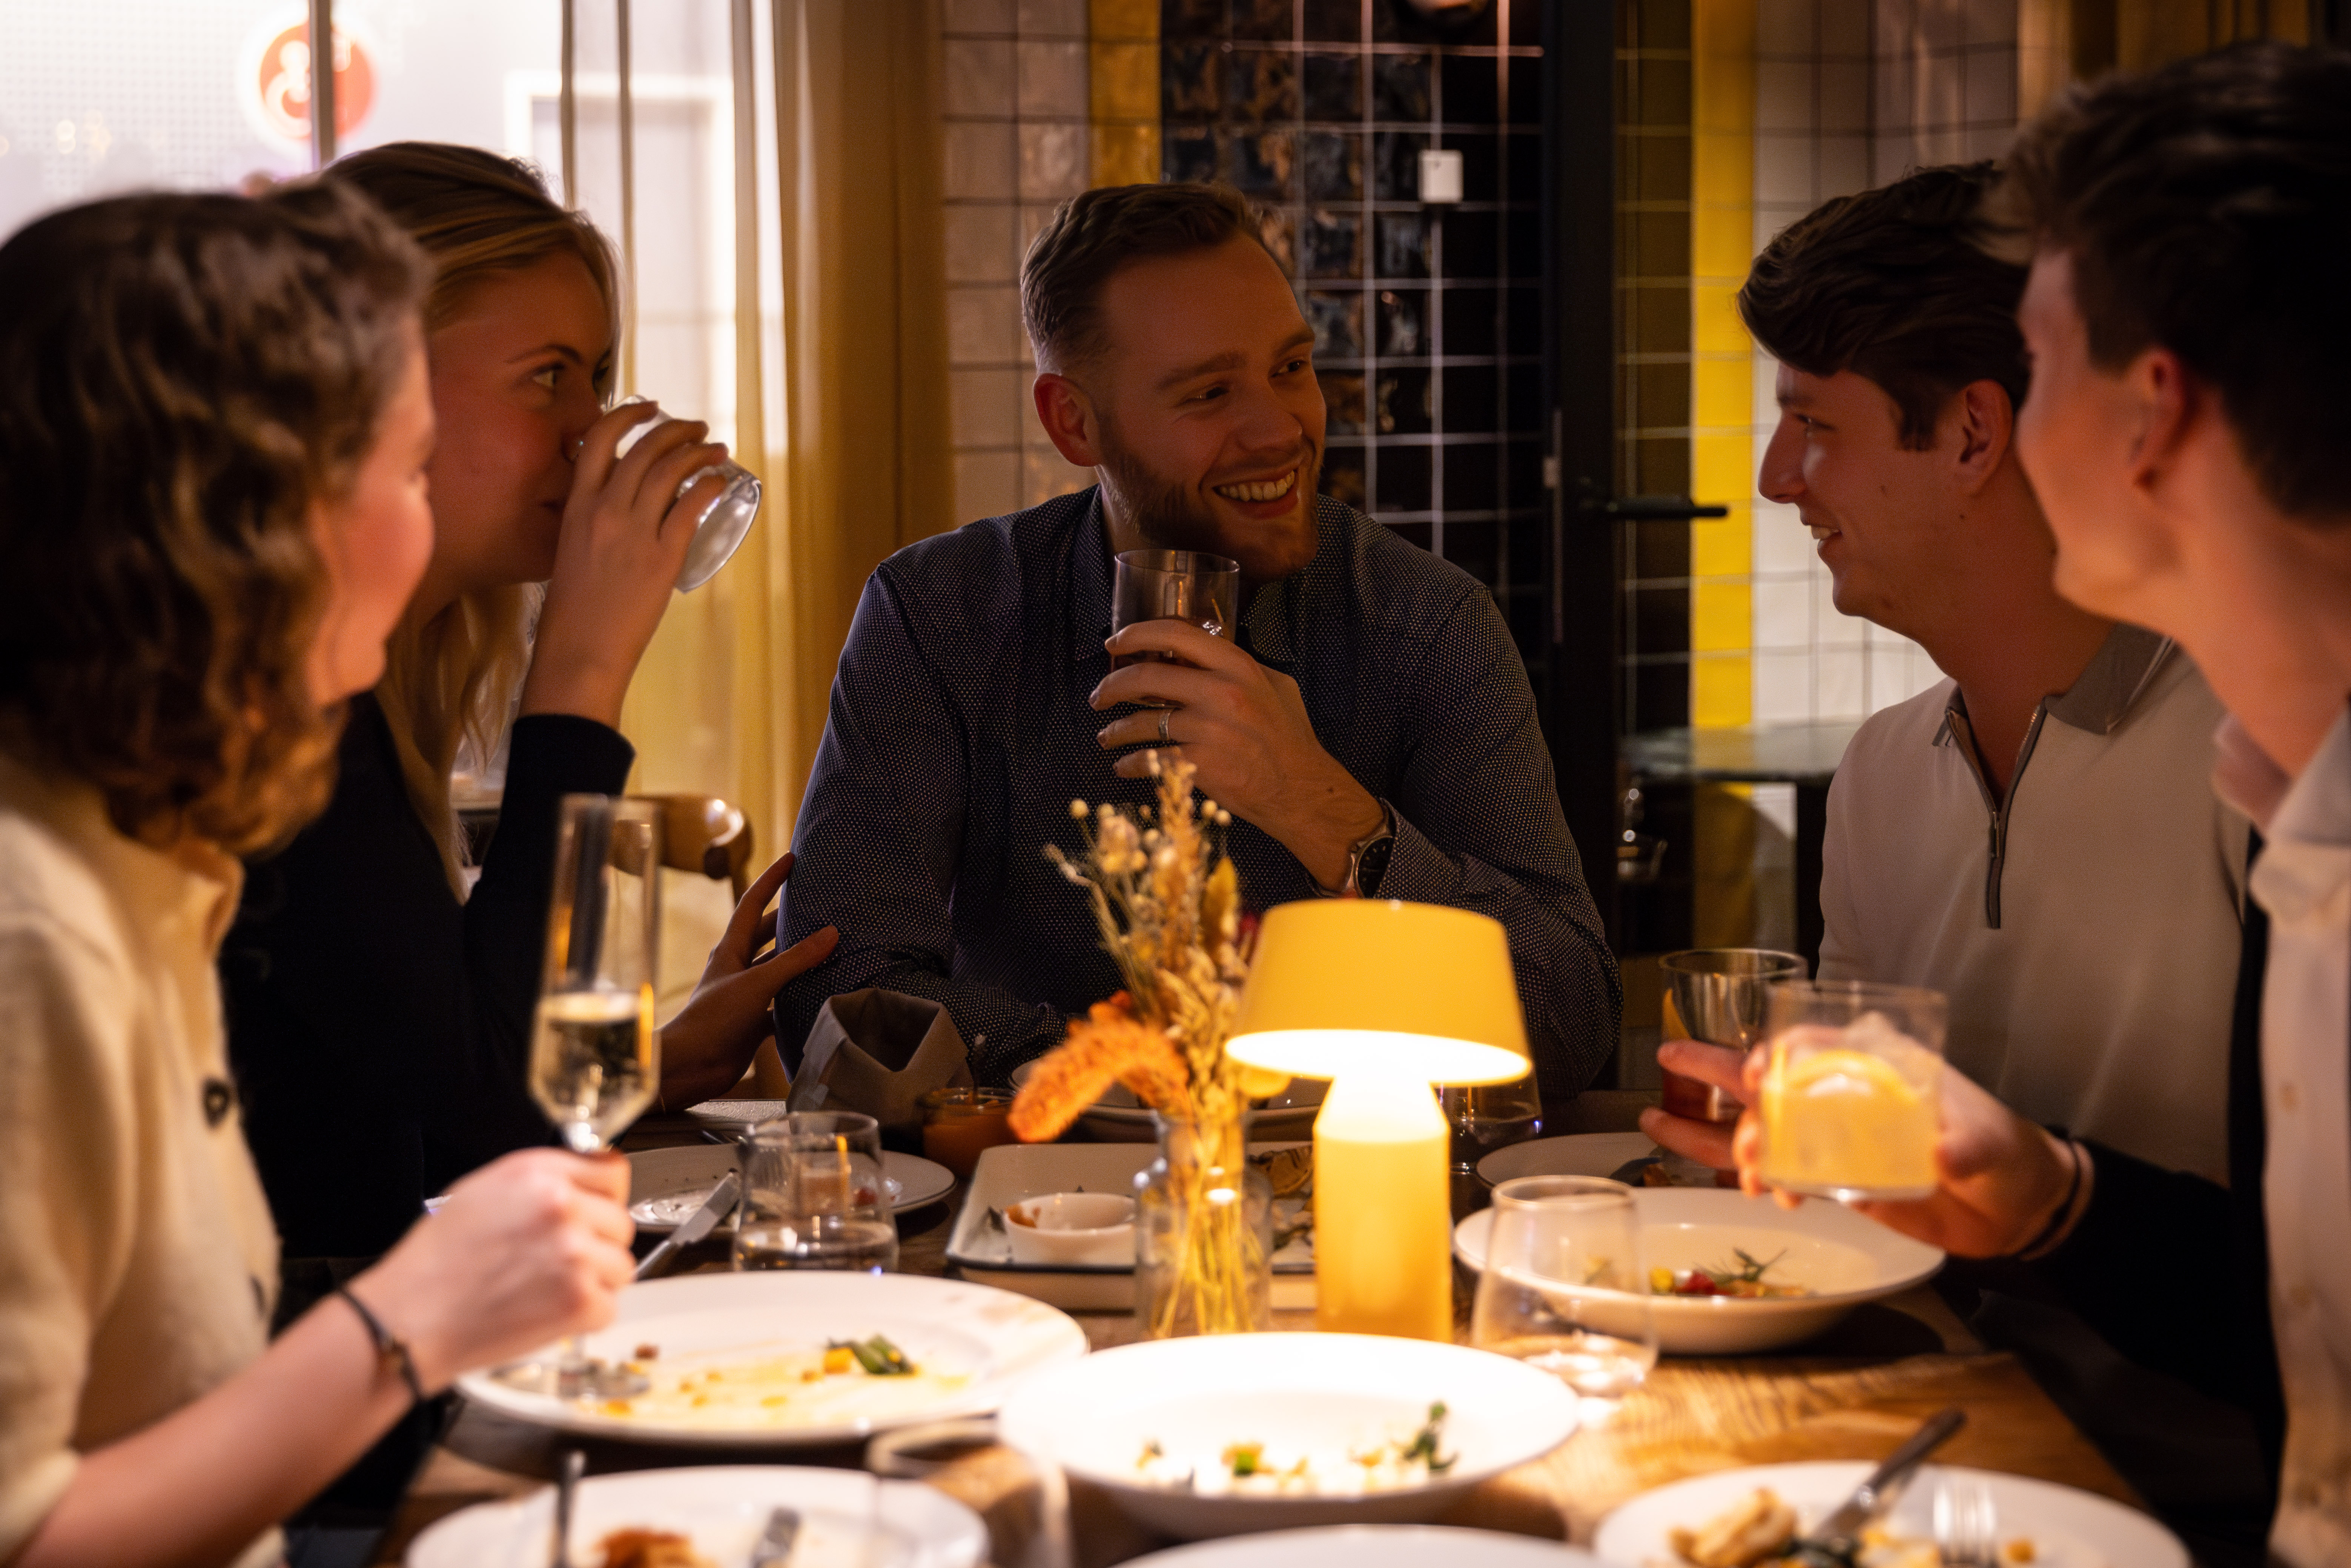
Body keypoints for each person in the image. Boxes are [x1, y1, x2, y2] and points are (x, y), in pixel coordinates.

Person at [1723, 42, 2351, 1568]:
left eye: (2045, 356)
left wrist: (2060, 1204)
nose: (1772, 478)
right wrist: (2042, 1194)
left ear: (2150, 411)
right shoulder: (2293, 786)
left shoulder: (2281, 805)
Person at [0, 183, 631, 1568]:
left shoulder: (157, 864)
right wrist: (416, 1317)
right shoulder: (36, 933)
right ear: (248, 520)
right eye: (406, 474)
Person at [777, 181, 1619, 1096]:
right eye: (1211, 392)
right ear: (1074, 421)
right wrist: (1139, 1068)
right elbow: (838, 998)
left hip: (1348, 1190)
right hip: (1040, 1211)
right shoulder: (941, 618)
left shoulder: (1425, 623)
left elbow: (1572, 1021)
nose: (1280, 430)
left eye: (1291, 368)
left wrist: (1325, 809)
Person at [223, 143, 838, 1275]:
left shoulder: (364, 683)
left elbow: (425, 1074)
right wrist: (581, 680)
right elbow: (489, 1122)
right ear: (368, 386)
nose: (589, 433)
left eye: (597, 380)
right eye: (547, 375)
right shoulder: (277, 699)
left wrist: (639, 1062)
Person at [1644, 163, 2247, 1185]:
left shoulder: (2259, 761)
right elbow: (1857, 1175)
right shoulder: (1881, 772)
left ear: (1972, 432)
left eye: (1816, 423)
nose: (1773, 476)